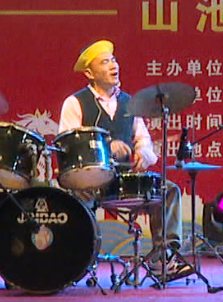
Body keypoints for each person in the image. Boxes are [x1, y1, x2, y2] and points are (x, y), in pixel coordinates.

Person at [58, 39, 188, 277]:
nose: (113, 66)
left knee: (168, 190)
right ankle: (74, 261)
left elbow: (144, 142)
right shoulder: (75, 103)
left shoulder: (130, 103)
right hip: (89, 181)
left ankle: (164, 259)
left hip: (124, 180)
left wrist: (142, 155)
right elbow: (68, 144)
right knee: (73, 201)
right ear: (89, 73)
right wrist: (107, 146)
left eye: (113, 60)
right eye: (104, 62)